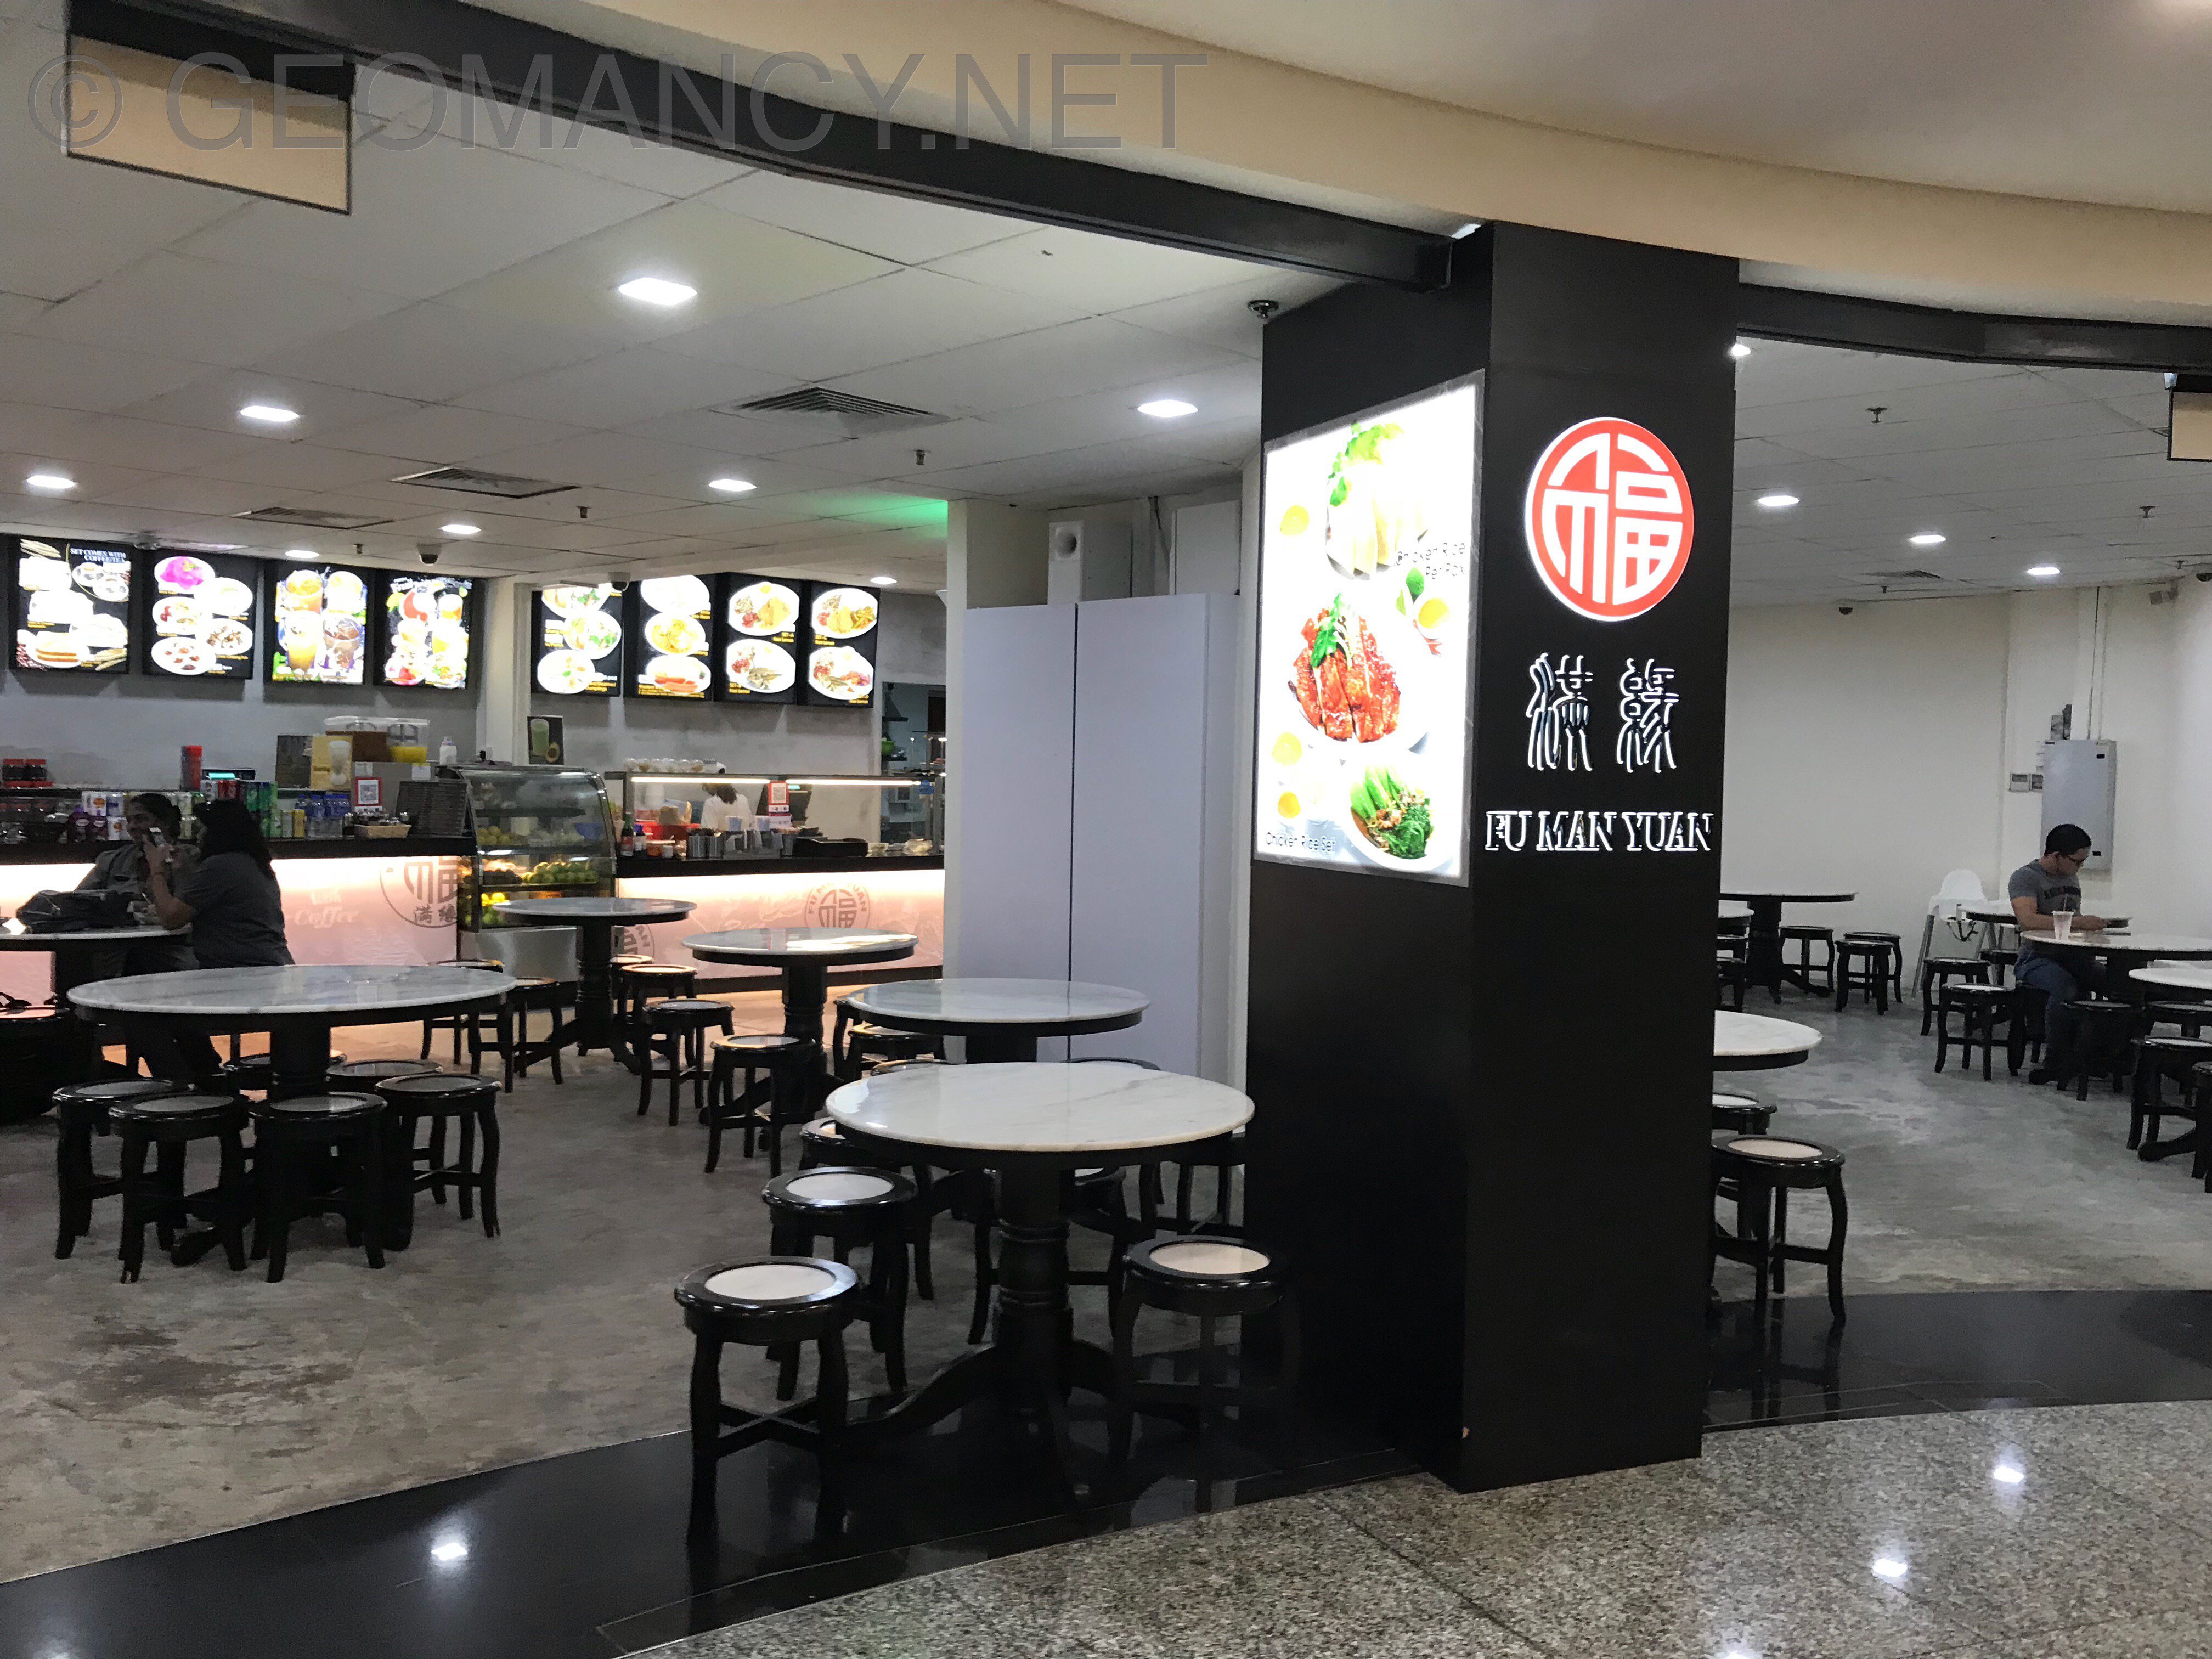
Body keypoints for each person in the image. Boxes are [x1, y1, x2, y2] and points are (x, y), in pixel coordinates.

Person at [144, 800, 293, 1077]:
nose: (199, 836)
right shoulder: (252, 863)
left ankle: (188, 1081)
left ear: (217, 833)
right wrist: (183, 871)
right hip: (268, 968)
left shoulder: (221, 866)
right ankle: (203, 1074)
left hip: (238, 975)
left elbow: (172, 918)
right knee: (161, 991)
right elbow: (197, 903)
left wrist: (157, 870)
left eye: (203, 829)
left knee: (145, 1006)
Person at [2010, 823, 2109, 1085]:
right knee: (2066, 988)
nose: (2080, 867)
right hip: (2037, 957)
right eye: (2077, 861)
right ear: (2056, 856)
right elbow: (2027, 920)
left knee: (2119, 984)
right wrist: (2079, 923)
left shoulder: (2071, 877)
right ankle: (2056, 1060)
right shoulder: (2026, 877)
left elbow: (2072, 919)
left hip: (2072, 955)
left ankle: (2108, 1056)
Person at [72, 792, 196, 978]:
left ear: (165, 823)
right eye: (130, 821)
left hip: (172, 947)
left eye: (141, 819)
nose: (132, 827)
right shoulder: (113, 860)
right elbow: (79, 902)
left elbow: (189, 909)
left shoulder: (189, 858)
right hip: (117, 950)